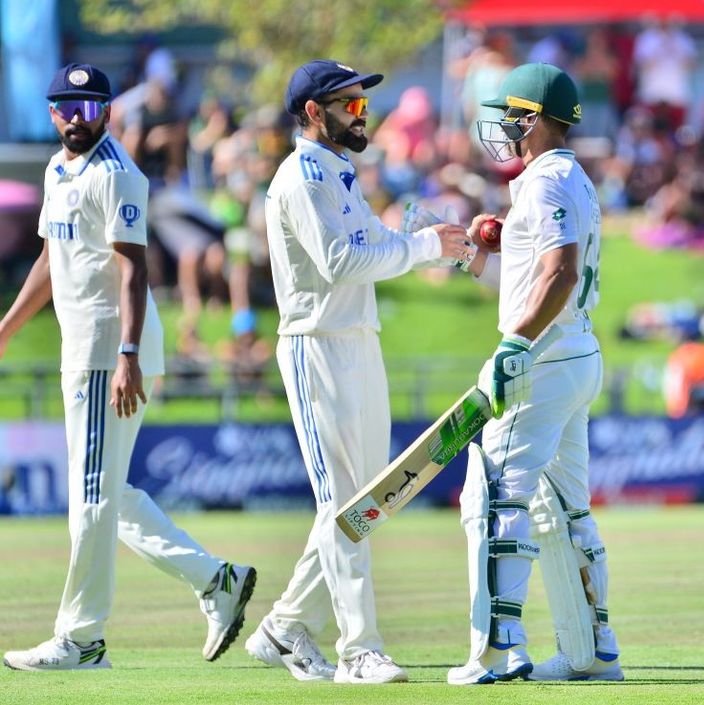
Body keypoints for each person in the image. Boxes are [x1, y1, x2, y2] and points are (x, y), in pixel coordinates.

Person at [0, 63, 256, 671]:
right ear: (53, 111)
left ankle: (82, 637)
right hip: (85, 347)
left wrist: (128, 356)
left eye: (89, 109)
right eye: (67, 107)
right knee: (108, 495)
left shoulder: (117, 173)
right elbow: (50, 256)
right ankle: (218, 580)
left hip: (106, 349)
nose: (77, 118)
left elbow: (133, 269)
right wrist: (8, 326)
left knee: (91, 499)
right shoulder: (59, 167)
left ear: (109, 112)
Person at [242, 59, 470, 684]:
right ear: (314, 112)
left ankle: (286, 626)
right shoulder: (302, 176)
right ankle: (358, 649)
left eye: (363, 105)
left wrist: (435, 241)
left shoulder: (339, 170)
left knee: (365, 503)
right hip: (316, 344)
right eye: (350, 105)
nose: (361, 114)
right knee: (345, 504)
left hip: (356, 341)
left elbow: (370, 243)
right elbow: (343, 261)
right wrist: (426, 248)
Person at [447, 63, 622, 685]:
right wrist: (500, 242)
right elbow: (541, 266)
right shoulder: (564, 178)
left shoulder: (545, 183)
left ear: (533, 117)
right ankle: (594, 651)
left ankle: (499, 649)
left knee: (494, 498)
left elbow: (560, 273)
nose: (502, 126)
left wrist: (515, 344)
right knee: (569, 509)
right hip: (575, 354)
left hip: (542, 360)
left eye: (510, 114)